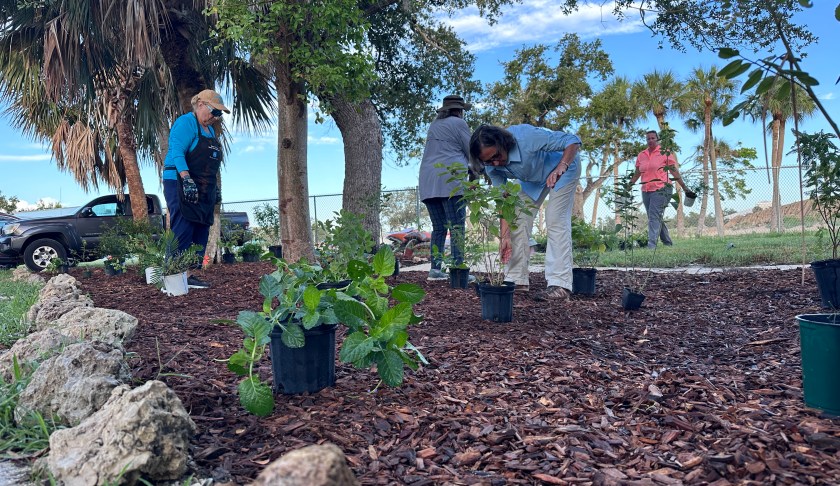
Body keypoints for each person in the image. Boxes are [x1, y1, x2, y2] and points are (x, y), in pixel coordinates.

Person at [469, 124, 581, 302]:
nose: (495, 163)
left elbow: (572, 141)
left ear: (503, 143)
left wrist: (562, 165)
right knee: (517, 220)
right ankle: (516, 279)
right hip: (532, 179)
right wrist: (504, 236)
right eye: (489, 161)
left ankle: (560, 285)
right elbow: (505, 202)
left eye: (496, 156)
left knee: (554, 219)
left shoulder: (527, 138)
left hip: (563, 168)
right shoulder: (493, 168)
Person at [161, 89, 230, 289]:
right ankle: (171, 275)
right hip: (179, 180)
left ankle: (189, 274)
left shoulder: (209, 131)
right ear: (200, 105)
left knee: (201, 228)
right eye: (213, 111)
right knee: (183, 225)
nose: (215, 117)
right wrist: (186, 179)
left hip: (204, 185)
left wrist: (214, 189)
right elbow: (176, 152)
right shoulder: (186, 123)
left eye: (219, 114)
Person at [418, 95, 474, 281]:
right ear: (459, 111)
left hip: (428, 181)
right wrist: (480, 171)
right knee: (457, 226)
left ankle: (435, 269)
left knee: (439, 227)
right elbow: (471, 150)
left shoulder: (434, 126)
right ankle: (458, 268)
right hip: (451, 181)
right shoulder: (459, 123)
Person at [629, 130, 696, 248]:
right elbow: (637, 172)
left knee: (654, 216)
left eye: (652, 138)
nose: (650, 140)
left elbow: (674, 171)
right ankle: (667, 243)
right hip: (646, 189)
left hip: (662, 189)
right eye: (648, 139)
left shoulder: (664, 152)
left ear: (657, 139)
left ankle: (651, 247)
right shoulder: (641, 155)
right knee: (654, 217)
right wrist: (628, 186)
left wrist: (684, 187)